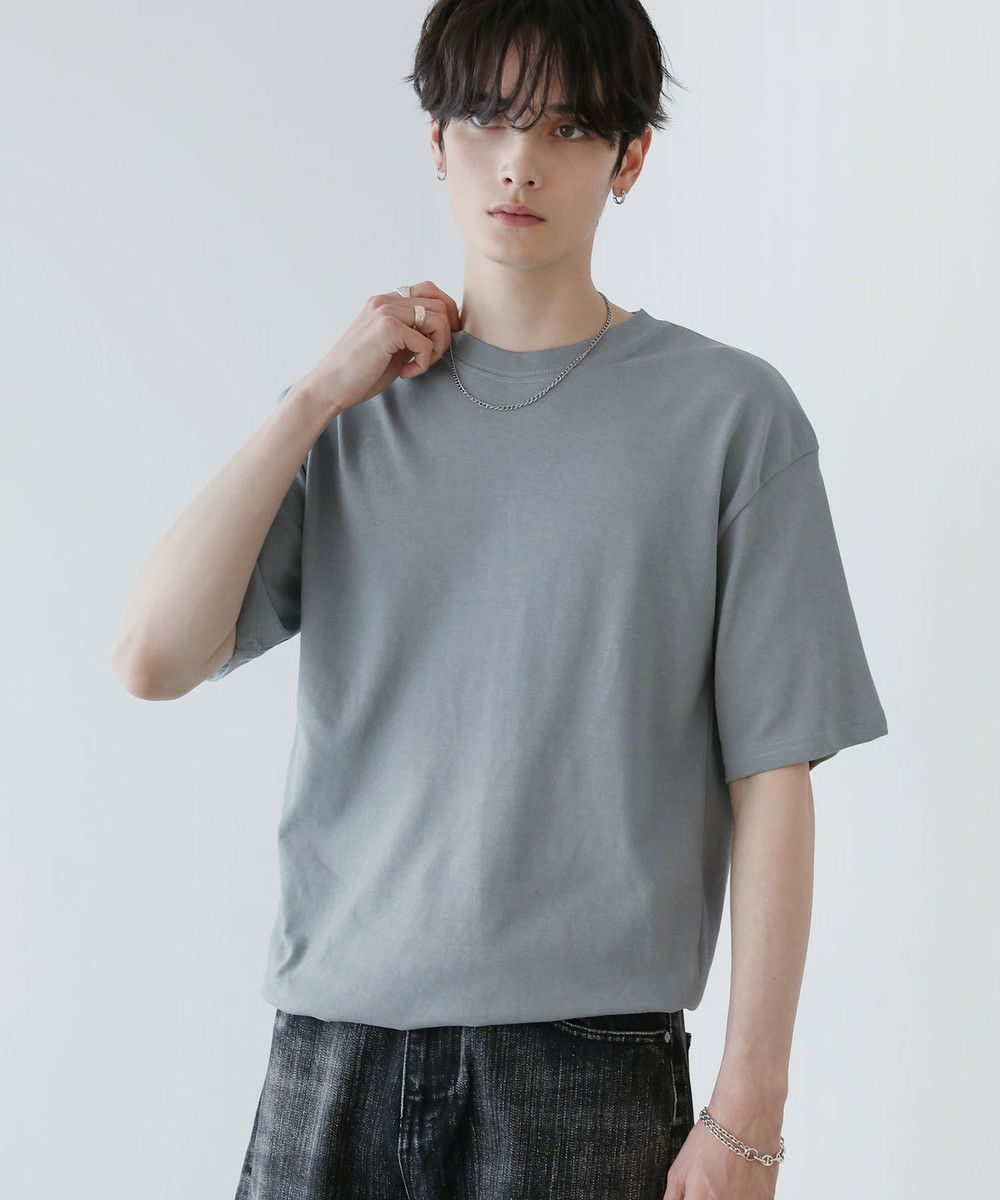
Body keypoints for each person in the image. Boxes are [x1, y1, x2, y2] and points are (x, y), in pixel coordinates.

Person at [111, 2, 888, 1197]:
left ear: (630, 157)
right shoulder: (351, 419)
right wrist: (313, 395)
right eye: (485, 118)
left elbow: (772, 773)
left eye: (567, 127)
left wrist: (751, 1110)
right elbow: (152, 658)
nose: (519, 161)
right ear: (436, 139)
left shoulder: (729, 418)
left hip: (585, 1070)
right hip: (335, 1051)